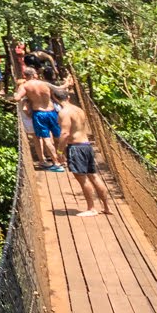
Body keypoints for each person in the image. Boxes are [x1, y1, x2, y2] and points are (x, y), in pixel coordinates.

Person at [56, 89, 110, 217]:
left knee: (83, 179)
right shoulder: (79, 109)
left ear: (55, 99)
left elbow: (65, 133)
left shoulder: (64, 113)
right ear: (68, 97)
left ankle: (91, 208)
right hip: (86, 146)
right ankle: (106, 207)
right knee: (94, 176)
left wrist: (59, 151)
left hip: (76, 148)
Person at [17, 68, 63, 170]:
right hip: (52, 112)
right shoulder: (45, 84)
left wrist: (25, 98)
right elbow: (59, 89)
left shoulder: (25, 86)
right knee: (57, 136)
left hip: (39, 114)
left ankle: (56, 163)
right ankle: (62, 158)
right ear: (35, 75)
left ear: (25, 76)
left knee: (46, 138)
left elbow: (17, 98)